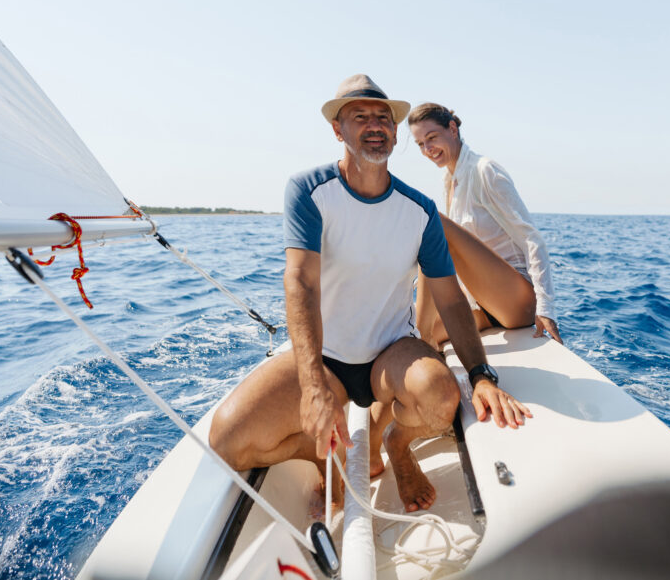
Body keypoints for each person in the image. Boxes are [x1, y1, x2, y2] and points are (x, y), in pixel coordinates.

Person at [209, 74, 531, 514]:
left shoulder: (418, 209)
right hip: (327, 358)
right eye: (359, 117)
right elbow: (300, 281)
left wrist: (480, 375)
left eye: (383, 117)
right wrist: (312, 388)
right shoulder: (307, 190)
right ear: (337, 130)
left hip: (390, 354)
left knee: (440, 398)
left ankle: (398, 445)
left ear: (396, 133)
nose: (375, 124)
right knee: (228, 439)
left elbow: (451, 298)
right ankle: (325, 451)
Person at [407, 103, 562, 345]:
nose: (427, 149)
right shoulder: (449, 180)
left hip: (516, 300)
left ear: (452, 129)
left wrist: (546, 309)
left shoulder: (484, 170)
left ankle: (425, 340)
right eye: (420, 144)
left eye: (432, 137)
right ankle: (422, 338)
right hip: (483, 306)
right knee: (400, 330)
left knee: (431, 218)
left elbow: (532, 239)